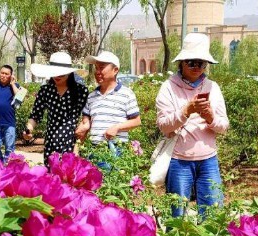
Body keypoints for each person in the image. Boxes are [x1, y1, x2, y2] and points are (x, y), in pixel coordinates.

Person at [155, 33, 229, 219]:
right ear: (181, 63)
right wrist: (186, 111)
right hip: (179, 161)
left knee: (213, 215)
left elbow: (224, 126)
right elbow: (164, 126)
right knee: (177, 216)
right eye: (192, 62)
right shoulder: (168, 88)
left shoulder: (213, 87)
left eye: (202, 63)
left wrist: (210, 117)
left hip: (208, 161)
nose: (197, 67)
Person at [24, 52, 89, 161]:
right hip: (51, 142)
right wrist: (28, 129)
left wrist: (77, 147)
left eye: (62, 74)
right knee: (51, 176)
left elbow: (86, 120)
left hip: (71, 142)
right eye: (55, 73)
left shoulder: (81, 91)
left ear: (69, 73)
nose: (57, 77)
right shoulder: (45, 90)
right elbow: (35, 115)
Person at [75, 51, 141, 156]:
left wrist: (117, 128)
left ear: (115, 70)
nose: (97, 72)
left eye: (101, 68)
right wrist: (85, 125)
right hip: (95, 150)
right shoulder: (91, 96)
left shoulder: (127, 94)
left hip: (117, 150)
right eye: (96, 68)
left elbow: (136, 121)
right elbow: (86, 121)